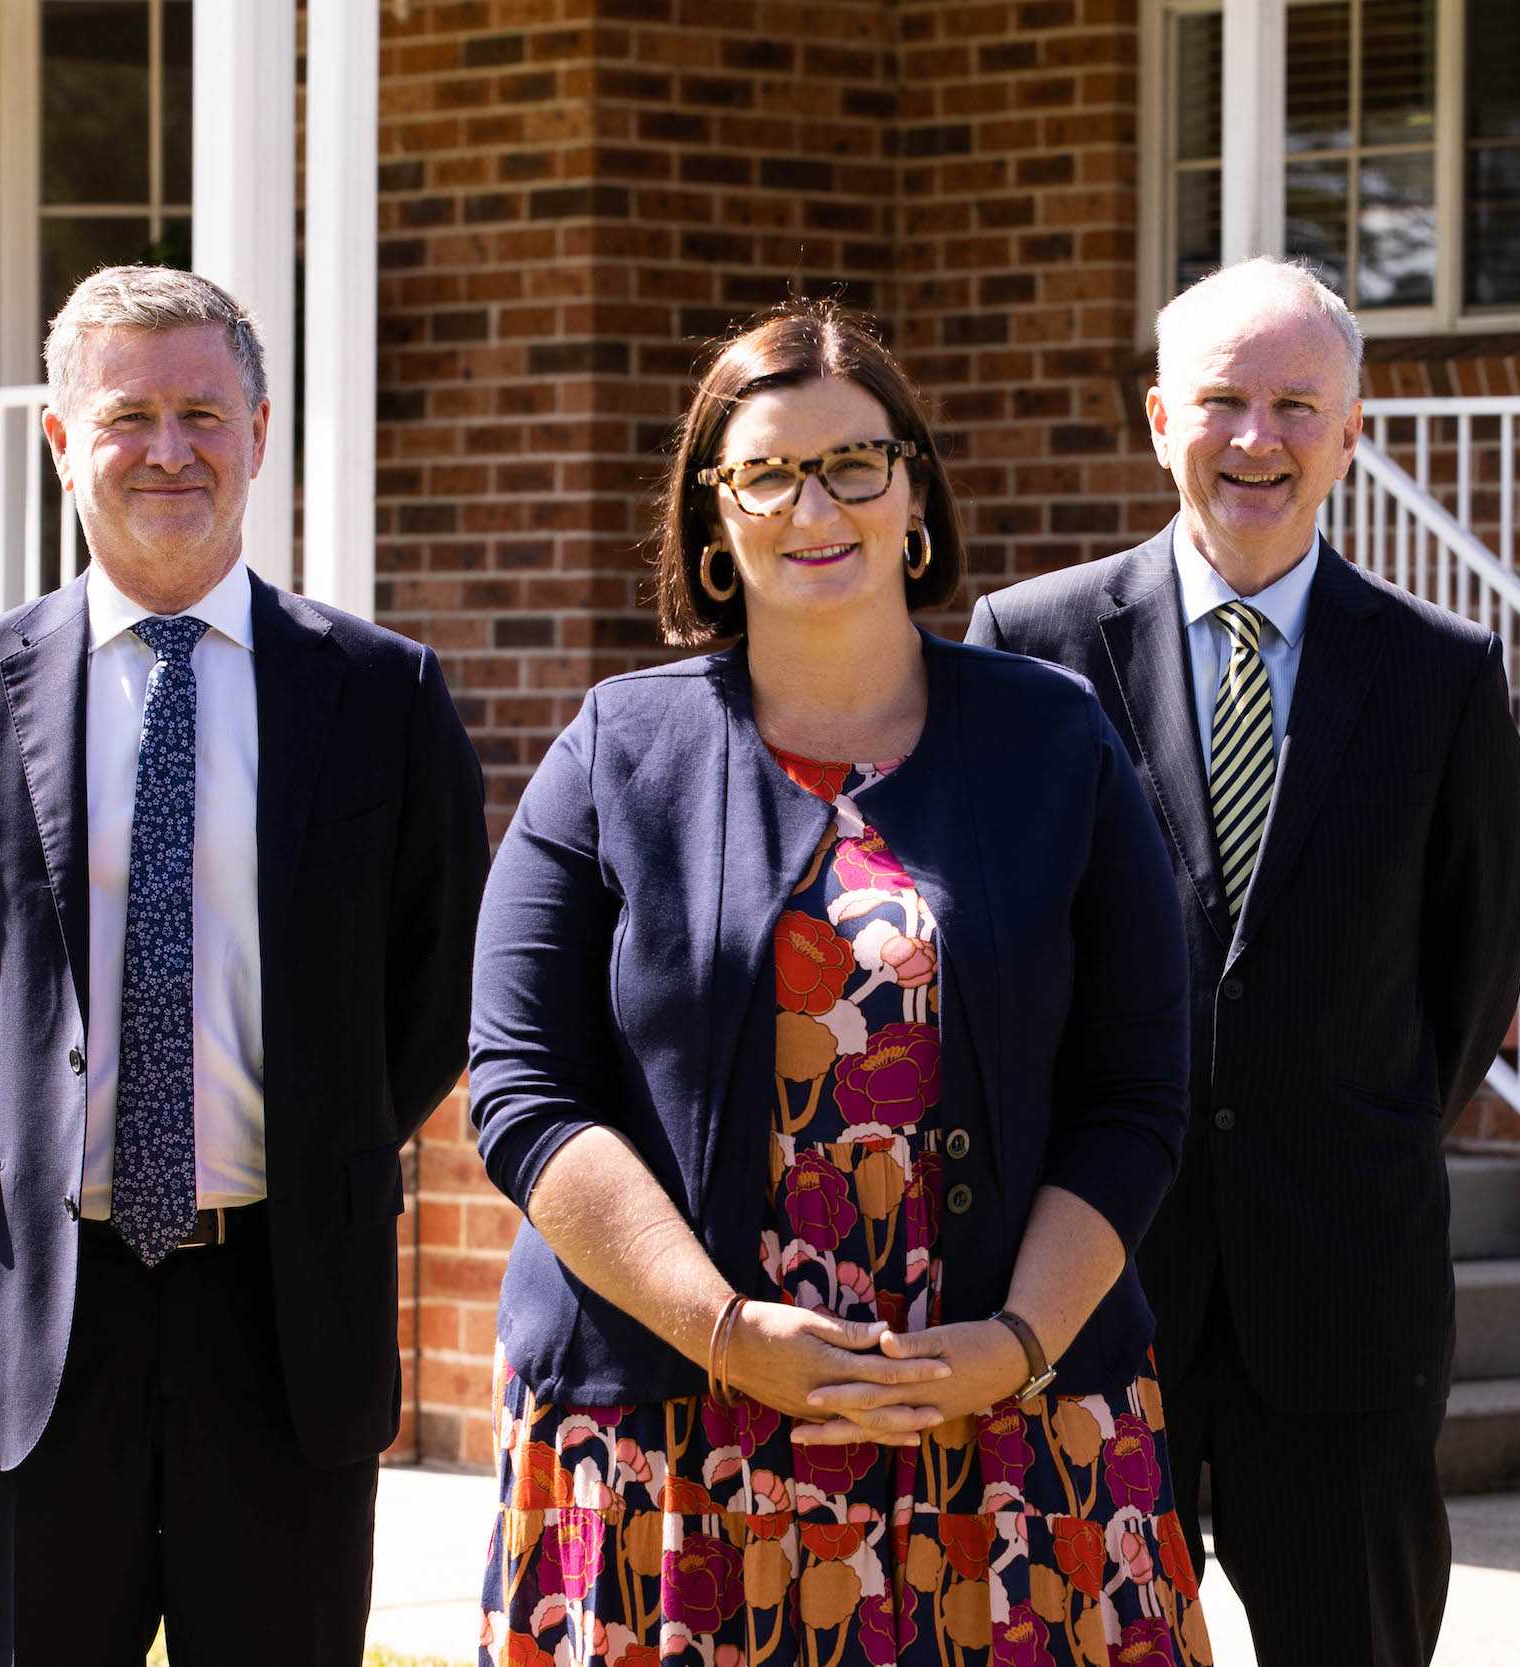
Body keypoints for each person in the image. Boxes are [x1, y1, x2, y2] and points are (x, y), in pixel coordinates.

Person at [469, 302, 1211, 1667]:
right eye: (767, 471)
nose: (817, 504)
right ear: (715, 517)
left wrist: (1016, 1344)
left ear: (914, 494)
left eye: (855, 464)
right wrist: (725, 1331)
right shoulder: (615, 747)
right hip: (674, 1438)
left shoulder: (1056, 742)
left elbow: (1136, 1093)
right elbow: (522, 1091)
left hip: (1011, 1437)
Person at [0, 265, 488, 1666]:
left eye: (203, 411)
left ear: (259, 428)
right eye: (129, 415)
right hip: (37, 1327)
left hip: (288, 1313)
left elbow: (435, 996)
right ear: (63, 440)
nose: (170, 450)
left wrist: (323, 1144)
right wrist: (9, 1152)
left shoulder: (381, 693)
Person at [967, 258, 1520, 1665]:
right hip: (1092, 1285)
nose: (1255, 439)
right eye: (1222, 400)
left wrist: (1368, 1120)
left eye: (1296, 404)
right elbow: (990, 963)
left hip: (1344, 1300)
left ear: (1353, 432)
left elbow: (1468, 973)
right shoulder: (1027, 655)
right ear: (1159, 417)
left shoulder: (1440, 672)